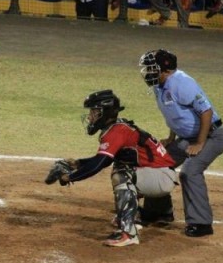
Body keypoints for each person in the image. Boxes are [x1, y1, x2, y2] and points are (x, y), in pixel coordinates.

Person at [45, 90, 179, 247]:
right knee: (121, 165)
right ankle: (138, 215)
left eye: (94, 112)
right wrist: (76, 163)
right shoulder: (118, 127)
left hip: (160, 177)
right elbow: (104, 160)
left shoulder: (117, 131)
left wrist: (70, 177)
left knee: (121, 174)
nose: (90, 116)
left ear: (105, 112)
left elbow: (99, 164)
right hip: (158, 174)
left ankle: (128, 233)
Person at [138, 49, 223, 237]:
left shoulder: (182, 83)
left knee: (189, 171)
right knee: (158, 160)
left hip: (211, 136)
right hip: (187, 138)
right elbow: (175, 115)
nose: (147, 72)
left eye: (151, 68)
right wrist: (171, 138)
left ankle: (201, 223)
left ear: (165, 69)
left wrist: (200, 143)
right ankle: (159, 212)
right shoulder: (159, 85)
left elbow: (206, 112)